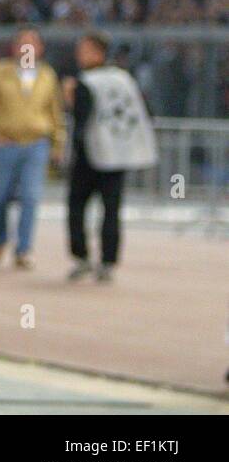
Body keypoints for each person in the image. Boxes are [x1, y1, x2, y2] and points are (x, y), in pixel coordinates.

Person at [64, 32, 156, 282]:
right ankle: (108, 261)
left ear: (97, 51)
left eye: (83, 49)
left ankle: (82, 257)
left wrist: (69, 100)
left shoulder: (86, 82)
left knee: (77, 207)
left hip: (90, 155)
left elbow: (80, 121)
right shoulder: (124, 78)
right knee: (111, 210)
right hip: (119, 154)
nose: (78, 54)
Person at [0, 28, 66, 269]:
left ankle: (24, 248)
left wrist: (58, 142)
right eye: (22, 44)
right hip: (7, 143)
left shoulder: (47, 76)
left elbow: (55, 111)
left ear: (40, 49)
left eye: (32, 44)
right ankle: (0, 239)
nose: (27, 49)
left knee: (30, 197)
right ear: (14, 48)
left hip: (36, 144)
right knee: (0, 197)